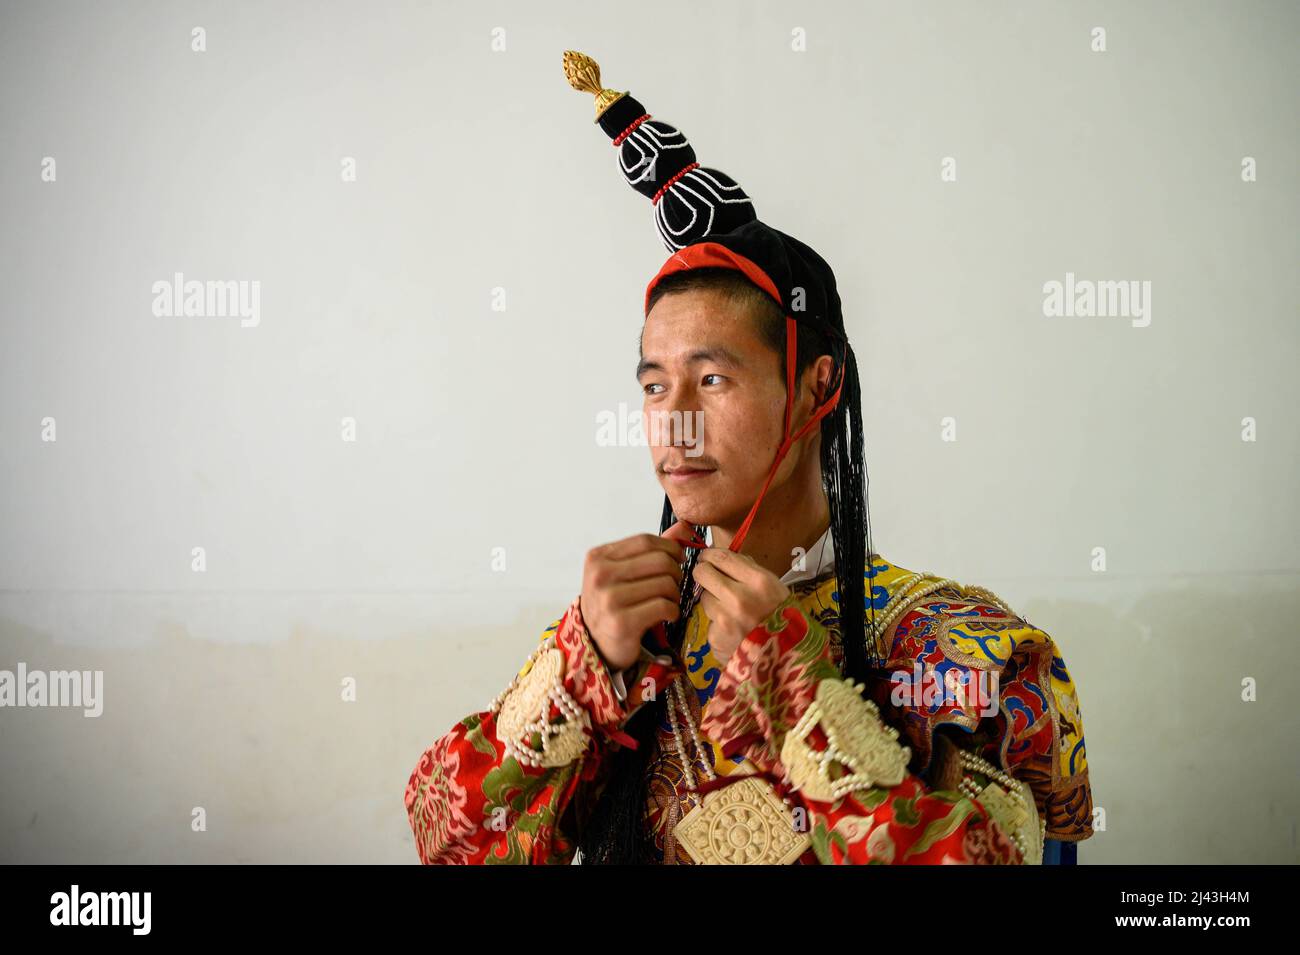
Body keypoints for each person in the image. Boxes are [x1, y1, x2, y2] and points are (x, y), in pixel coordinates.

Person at [402, 51, 1093, 865]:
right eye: (656, 387)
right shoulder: (633, 638)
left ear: (815, 387)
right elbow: (447, 839)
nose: (677, 426)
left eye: (713, 377)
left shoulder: (961, 649)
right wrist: (578, 662)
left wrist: (795, 690)